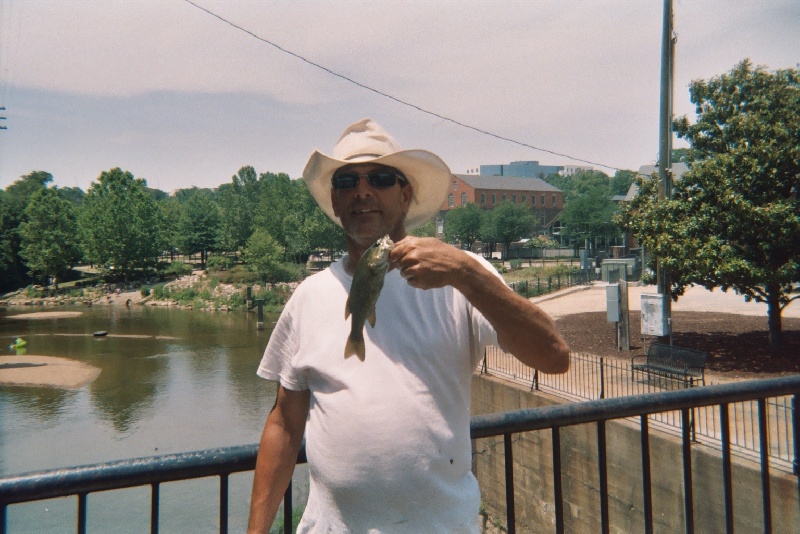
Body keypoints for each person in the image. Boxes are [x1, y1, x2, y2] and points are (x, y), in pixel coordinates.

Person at [248, 119, 569, 533]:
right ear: (335, 200)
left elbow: (553, 356)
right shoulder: (308, 296)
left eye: (380, 178)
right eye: (347, 181)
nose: (362, 191)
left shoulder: (462, 278)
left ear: (405, 194)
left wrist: (465, 273)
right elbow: (284, 423)